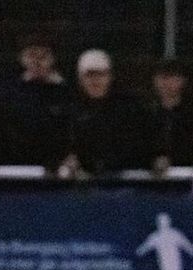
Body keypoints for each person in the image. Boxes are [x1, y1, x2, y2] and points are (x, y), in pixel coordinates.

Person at [59, 49, 149, 178]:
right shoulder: (68, 109)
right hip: (80, 185)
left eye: (101, 74)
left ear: (110, 76)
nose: (95, 80)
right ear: (80, 78)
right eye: (89, 75)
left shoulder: (130, 108)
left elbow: (139, 147)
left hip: (123, 182)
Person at [0, 33, 72, 169]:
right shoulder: (7, 94)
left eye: (43, 56)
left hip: (54, 170)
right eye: (32, 55)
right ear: (22, 59)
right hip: (17, 167)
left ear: (52, 59)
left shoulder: (66, 93)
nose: (37, 61)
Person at [148, 58, 193, 173]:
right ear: (155, 80)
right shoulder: (146, 115)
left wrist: (172, 160)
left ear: (182, 80)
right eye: (163, 77)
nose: (167, 82)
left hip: (186, 178)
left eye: (172, 77)